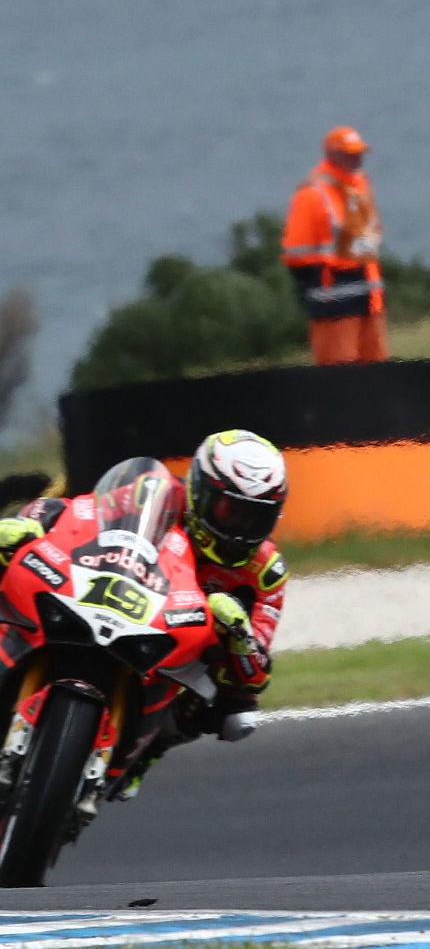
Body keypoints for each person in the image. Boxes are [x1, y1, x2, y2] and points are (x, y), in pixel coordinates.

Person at [0, 430, 289, 797]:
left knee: (236, 717)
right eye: (230, 510)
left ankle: (140, 756)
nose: (241, 526)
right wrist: (35, 522)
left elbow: (254, 676)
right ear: (200, 491)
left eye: (256, 517)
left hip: (174, 652)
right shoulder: (154, 493)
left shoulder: (265, 572)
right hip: (113, 598)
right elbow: (82, 513)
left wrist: (238, 635)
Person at [280, 126, 388, 365]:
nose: (357, 158)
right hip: (334, 307)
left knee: (378, 381)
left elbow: (367, 243)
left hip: (370, 300)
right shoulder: (312, 193)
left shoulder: (359, 186)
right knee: (340, 385)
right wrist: (324, 284)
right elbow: (295, 255)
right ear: (333, 155)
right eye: (351, 153)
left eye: (359, 152)